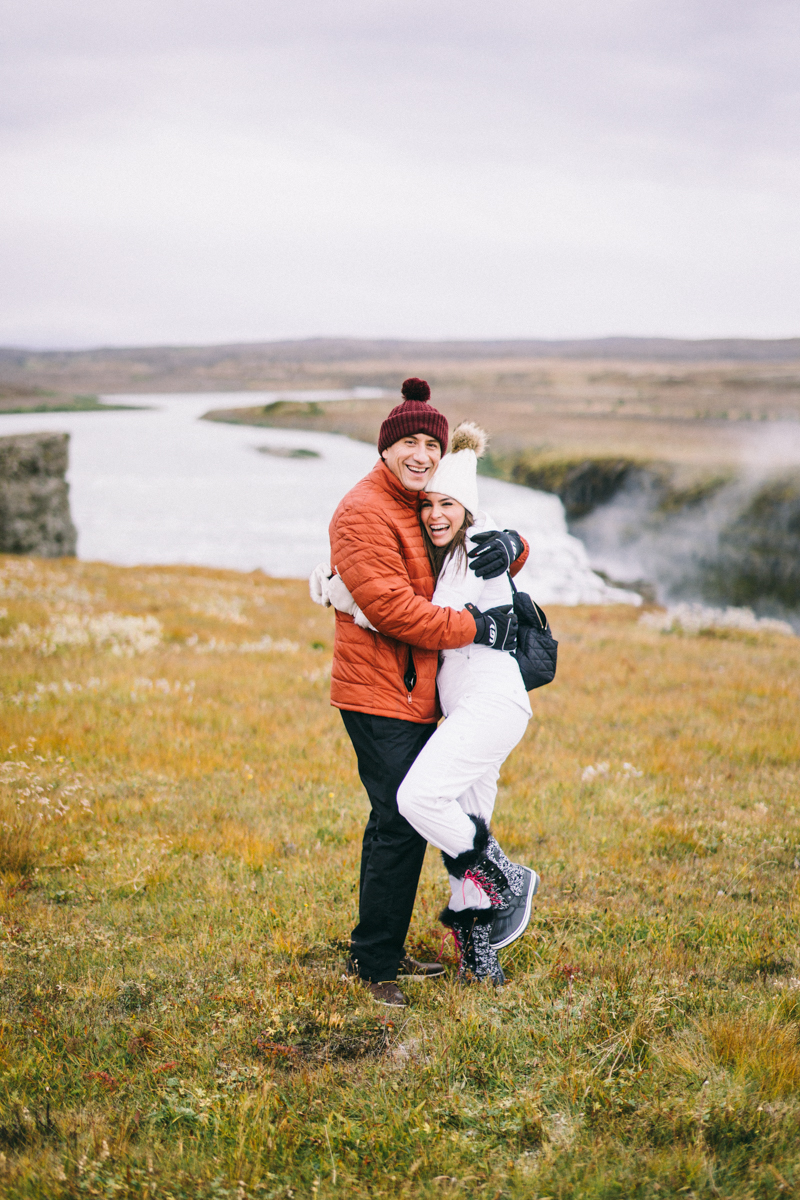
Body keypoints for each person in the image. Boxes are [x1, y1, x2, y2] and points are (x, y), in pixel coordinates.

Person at [313, 378, 529, 1007]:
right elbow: (396, 611)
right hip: (381, 691)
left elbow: (465, 533)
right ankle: (376, 964)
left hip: (417, 692)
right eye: (406, 442)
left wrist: (514, 548)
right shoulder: (362, 511)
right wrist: (478, 626)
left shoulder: (416, 499)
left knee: (407, 819)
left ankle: (388, 952)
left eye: (429, 445)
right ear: (384, 448)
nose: (420, 455)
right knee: (398, 818)